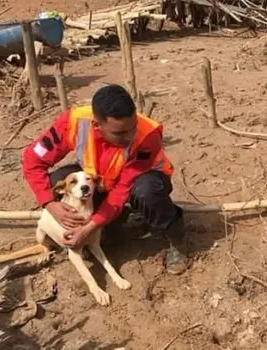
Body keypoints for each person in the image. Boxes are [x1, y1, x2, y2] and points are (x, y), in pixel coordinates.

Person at [21, 84, 188, 275]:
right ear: (97, 125)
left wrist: (90, 227)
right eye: (120, 133)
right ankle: (111, 225)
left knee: (146, 192)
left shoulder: (147, 136)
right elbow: (33, 159)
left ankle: (176, 238)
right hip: (100, 181)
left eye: (132, 128)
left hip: (143, 181)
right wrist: (49, 203)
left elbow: (122, 189)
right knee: (57, 182)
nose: (130, 136)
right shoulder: (75, 122)